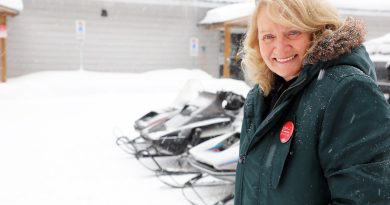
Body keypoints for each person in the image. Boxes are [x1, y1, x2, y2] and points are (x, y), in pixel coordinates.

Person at [234, 0, 390, 204]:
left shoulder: (347, 90)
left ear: (317, 31)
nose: (280, 47)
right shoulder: (260, 97)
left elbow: (368, 197)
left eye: (292, 32)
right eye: (268, 36)